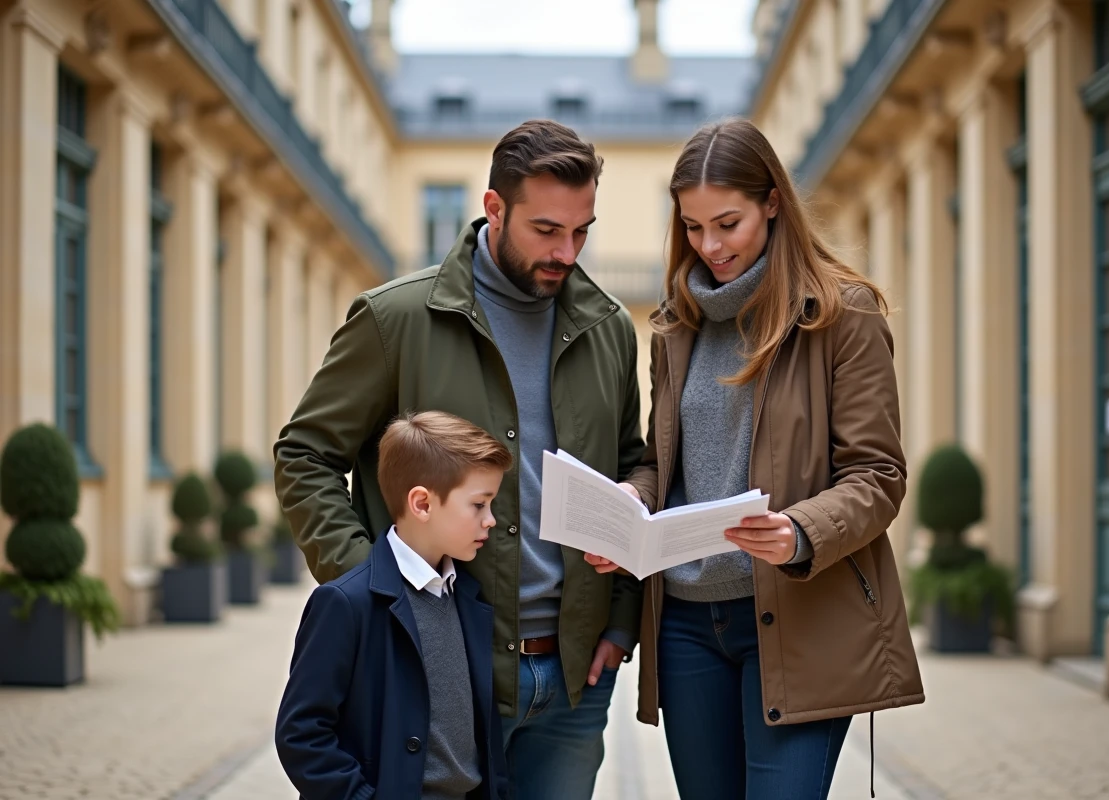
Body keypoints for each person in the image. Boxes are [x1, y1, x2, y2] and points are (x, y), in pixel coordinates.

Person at [274, 119, 645, 799]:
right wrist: (379, 594)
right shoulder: (397, 319)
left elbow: (631, 465)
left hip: (575, 682)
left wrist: (620, 619)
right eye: (546, 230)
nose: (568, 251)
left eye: (582, 230)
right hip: (443, 667)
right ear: (493, 208)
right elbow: (304, 455)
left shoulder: (610, 328)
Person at [590, 118, 925, 800]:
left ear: (773, 202)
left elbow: (878, 475)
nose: (709, 246)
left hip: (801, 617)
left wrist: (799, 530)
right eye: (691, 227)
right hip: (685, 625)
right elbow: (663, 460)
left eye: (728, 223)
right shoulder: (675, 325)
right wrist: (634, 498)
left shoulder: (842, 314)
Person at [276, 411, 511, 799]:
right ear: (422, 503)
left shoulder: (467, 598)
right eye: (479, 505)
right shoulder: (344, 604)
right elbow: (302, 734)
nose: (491, 520)